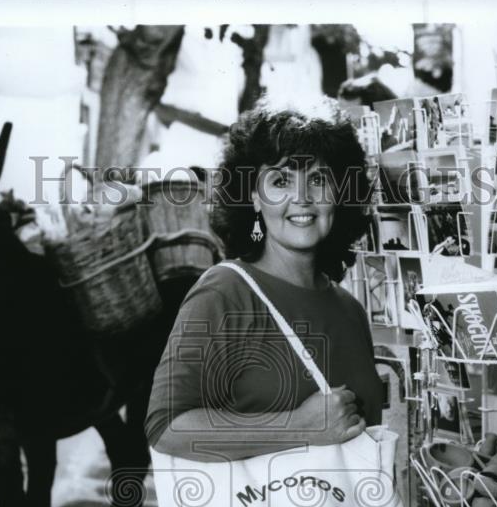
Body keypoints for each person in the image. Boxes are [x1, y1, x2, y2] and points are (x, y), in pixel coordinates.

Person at [146, 103, 381, 462]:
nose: (302, 197)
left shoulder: (350, 311)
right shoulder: (223, 293)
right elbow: (166, 428)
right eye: (280, 181)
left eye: (318, 179)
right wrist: (297, 428)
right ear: (254, 197)